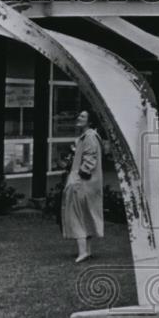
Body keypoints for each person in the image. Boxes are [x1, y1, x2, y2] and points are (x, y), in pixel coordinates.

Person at [62, 111, 104, 262]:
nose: (78, 118)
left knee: (77, 216)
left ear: (90, 121)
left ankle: (83, 251)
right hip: (88, 184)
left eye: (82, 117)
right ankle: (87, 250)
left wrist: (77, 178)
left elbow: (89, 160)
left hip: (83, 184)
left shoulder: (90, 137)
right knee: (86, 215)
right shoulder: (88, 136)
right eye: (78, 115)